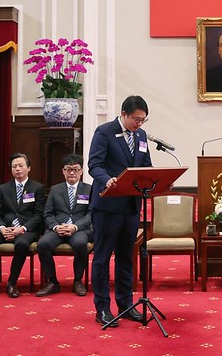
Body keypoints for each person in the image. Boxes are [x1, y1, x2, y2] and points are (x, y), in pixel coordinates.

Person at [88, 95, 153, 327]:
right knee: (103, 258)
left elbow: (145, 166)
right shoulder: (104, 132)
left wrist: (157, 180)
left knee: (126, 258)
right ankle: (102, 308)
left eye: (143, 120)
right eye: (136, 119)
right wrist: (106, 179)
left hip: (131, 206)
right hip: (108, 207)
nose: (139, 124)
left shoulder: (141, 136)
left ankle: (125, 305)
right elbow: (94, 165)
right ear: (124, 114)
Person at [0, 153, 46, 298]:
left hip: (27, 229)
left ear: (29, 168)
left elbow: (38, 215)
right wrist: (2, 228)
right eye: (14, 166)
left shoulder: (37, 188)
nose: (17, 169)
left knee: (21, 244)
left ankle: (12, 283)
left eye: (21, 166)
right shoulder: (3, 188)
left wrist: (21, 229)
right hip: (6, 228)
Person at [35, 154, 93, 297]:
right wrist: (56, 227)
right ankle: (52, 282)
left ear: (81, 171)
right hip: (58, 228)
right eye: (68, 169)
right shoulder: (55, 190)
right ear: (63, 171)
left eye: (75, 169)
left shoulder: (89, 189)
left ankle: (78, 281)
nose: (72, 172)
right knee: (42, 244)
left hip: (79, 229)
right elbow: (47, 214)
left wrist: (75, 227)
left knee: (80, 244)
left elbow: (91, 215)